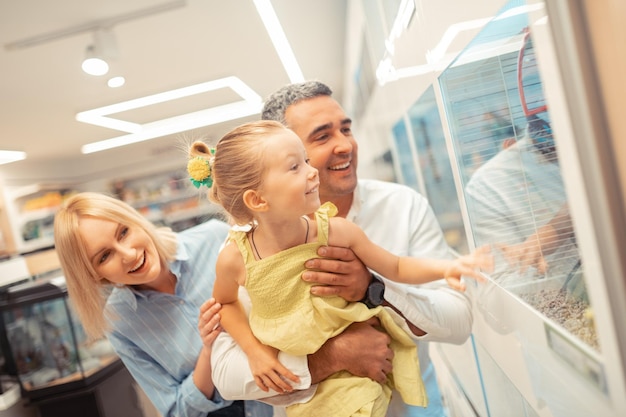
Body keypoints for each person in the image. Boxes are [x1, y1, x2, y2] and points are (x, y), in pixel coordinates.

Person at [210, 81, 479, 417]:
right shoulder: (245, 251)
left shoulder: (401, 206)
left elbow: (459, 322)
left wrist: (373, 288)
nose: (345, 145)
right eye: (322, 136)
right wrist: (330, 357)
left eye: (346, 129)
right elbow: (225, 373)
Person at [53, 192, 274, 417]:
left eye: (123, 232)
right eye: (104, 256)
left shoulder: (214, 238)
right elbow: (175, 410)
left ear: (136, 220)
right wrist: (209, 351)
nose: (128, 254)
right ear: (94, 275)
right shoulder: (118, 320)